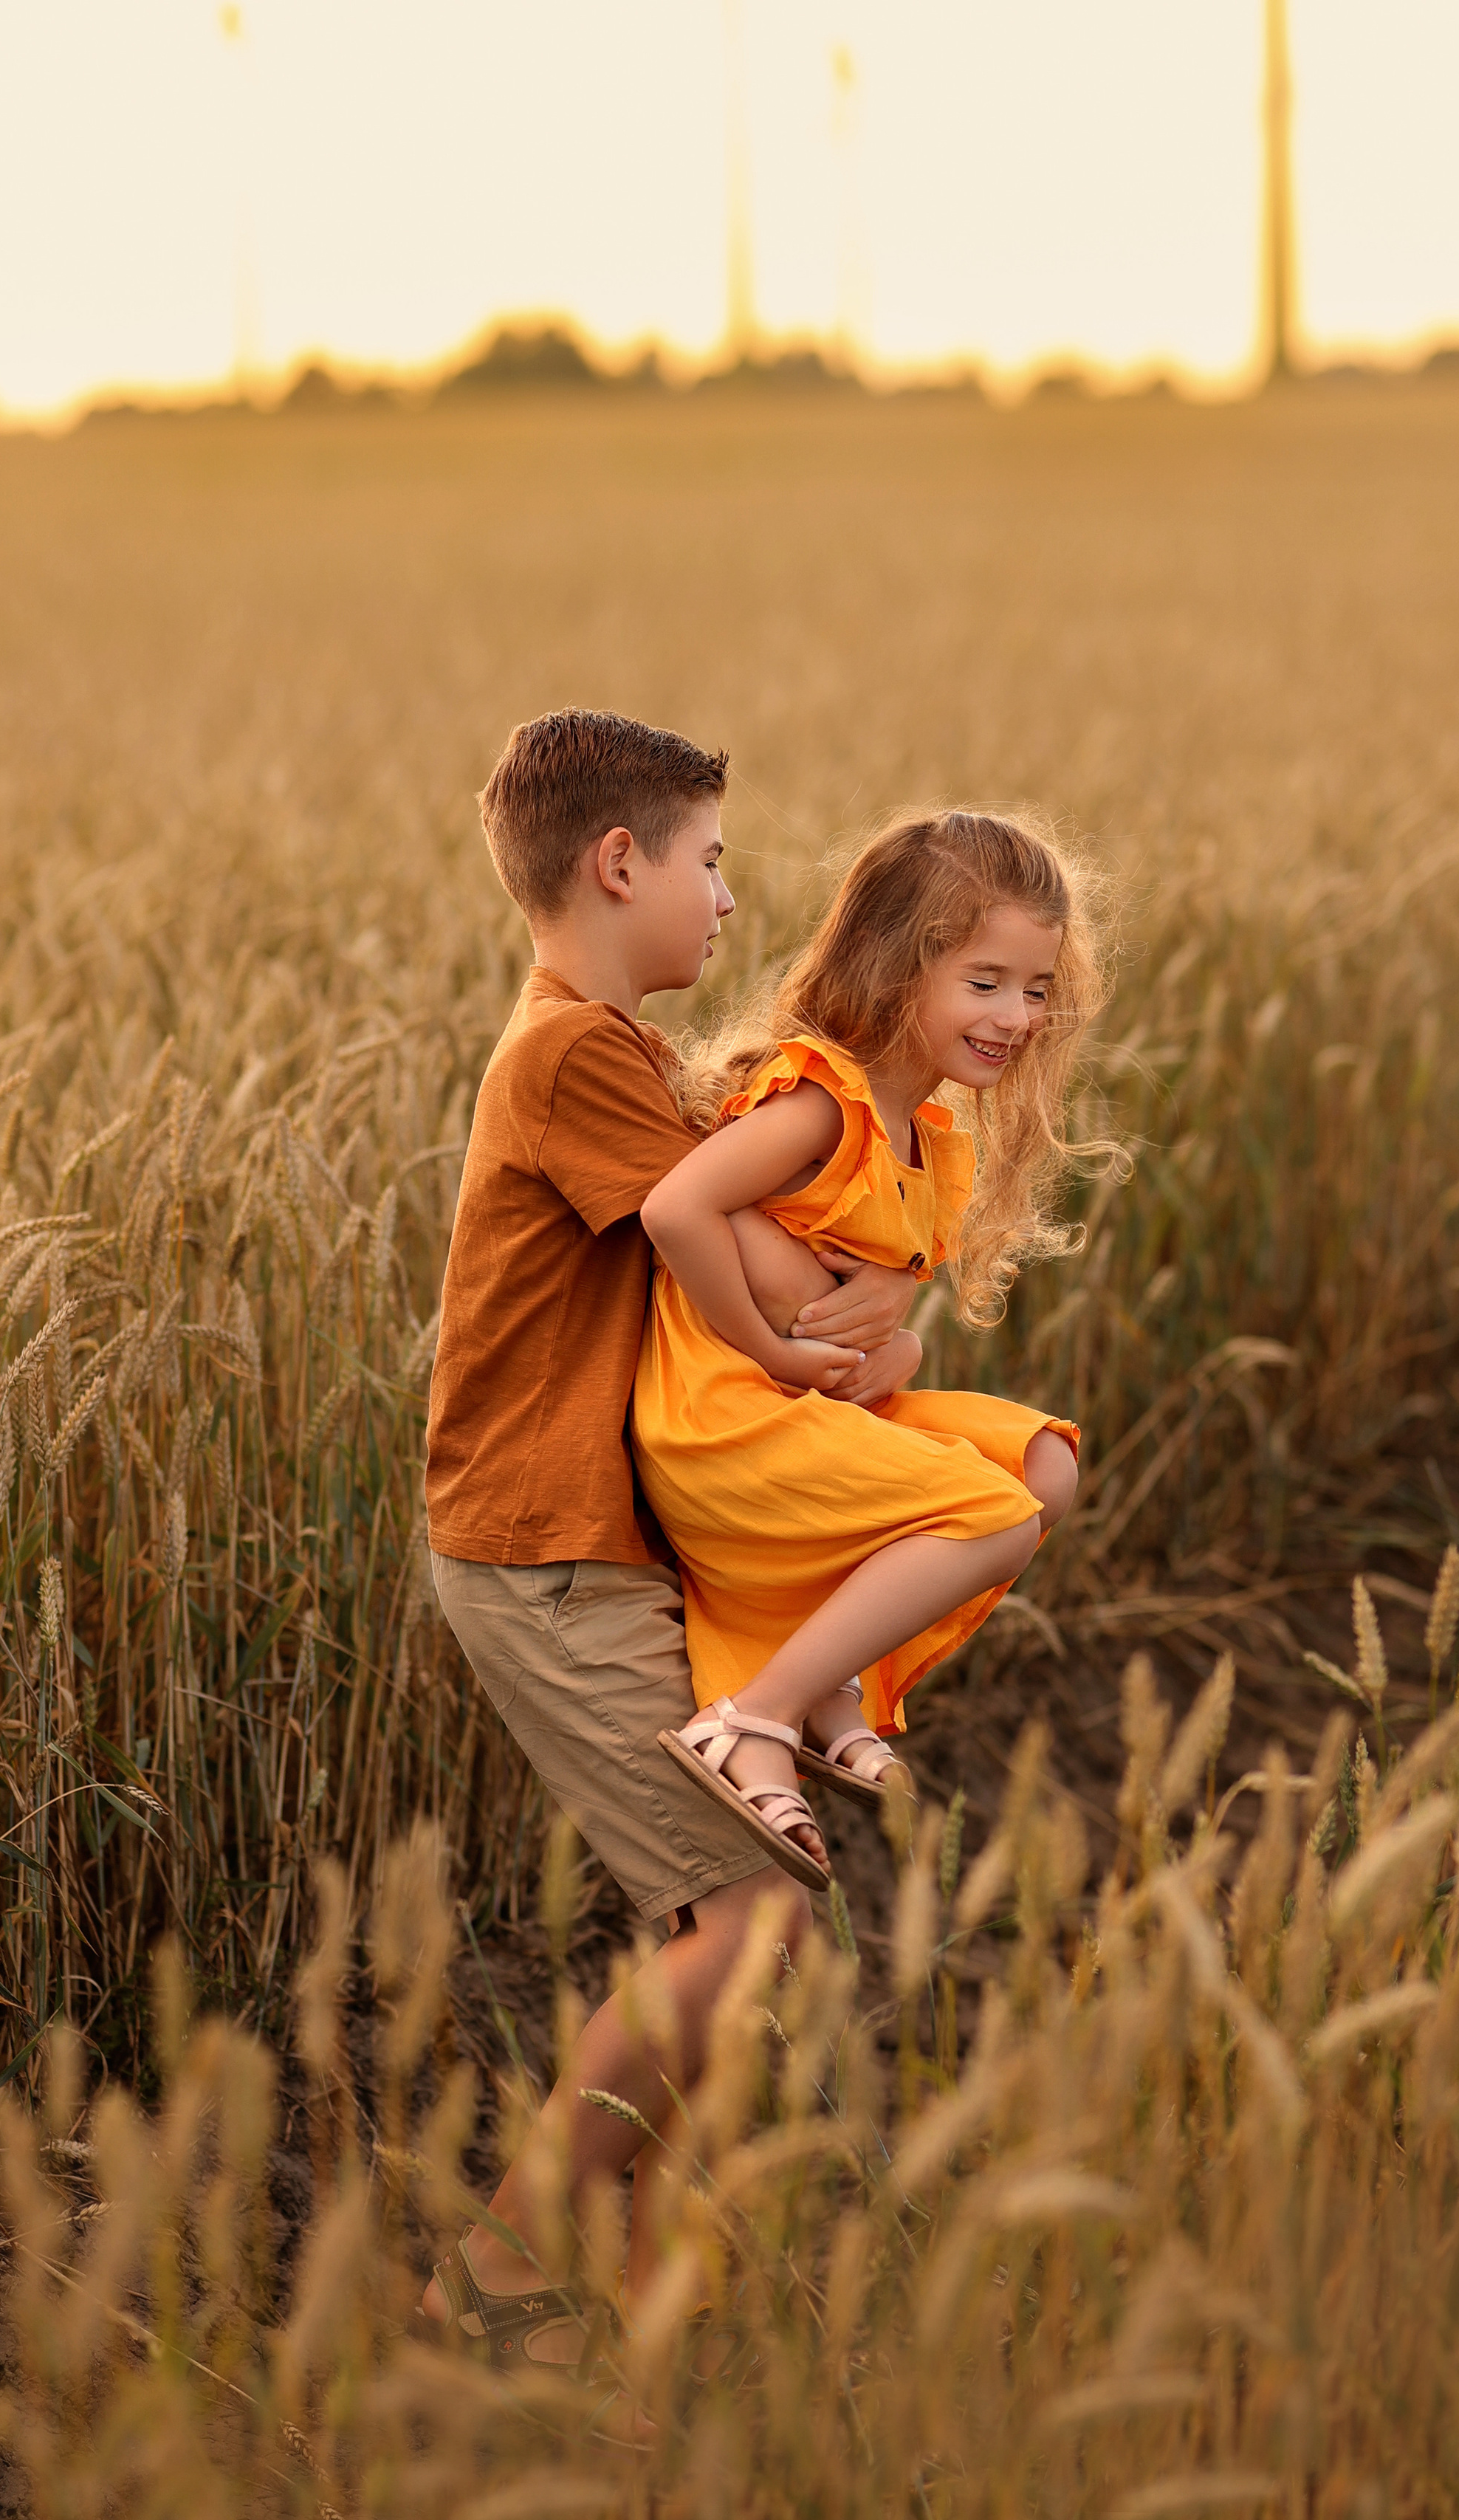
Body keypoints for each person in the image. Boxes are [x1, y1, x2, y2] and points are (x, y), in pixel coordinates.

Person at [420, 710, 924, 2366]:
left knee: (715, 1917)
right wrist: (887, 1282)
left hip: (591, 1538)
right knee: (751, 1915)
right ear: (614, 861)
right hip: (540, 1546)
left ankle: (635, 2307)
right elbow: (779, 1275)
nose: (726, 899)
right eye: (706, 863)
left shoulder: (615, 1054)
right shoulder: (570, 1055)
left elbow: (761, 1243)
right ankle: (501, 2265)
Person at [634, 809, 1113, 1885]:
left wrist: (889, 1333)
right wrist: (768, 1341)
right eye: (985, 981)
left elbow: (873, 1322)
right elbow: (677, 1211)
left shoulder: (929, 1137)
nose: (1017, 1016)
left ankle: (820, 1685)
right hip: (728, 1421)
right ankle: (756, 1713)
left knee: (1046, 1467)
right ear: (900, 967)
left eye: (1037, 989)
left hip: (816, 1406)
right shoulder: (818, 1103)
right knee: (988, 1517)